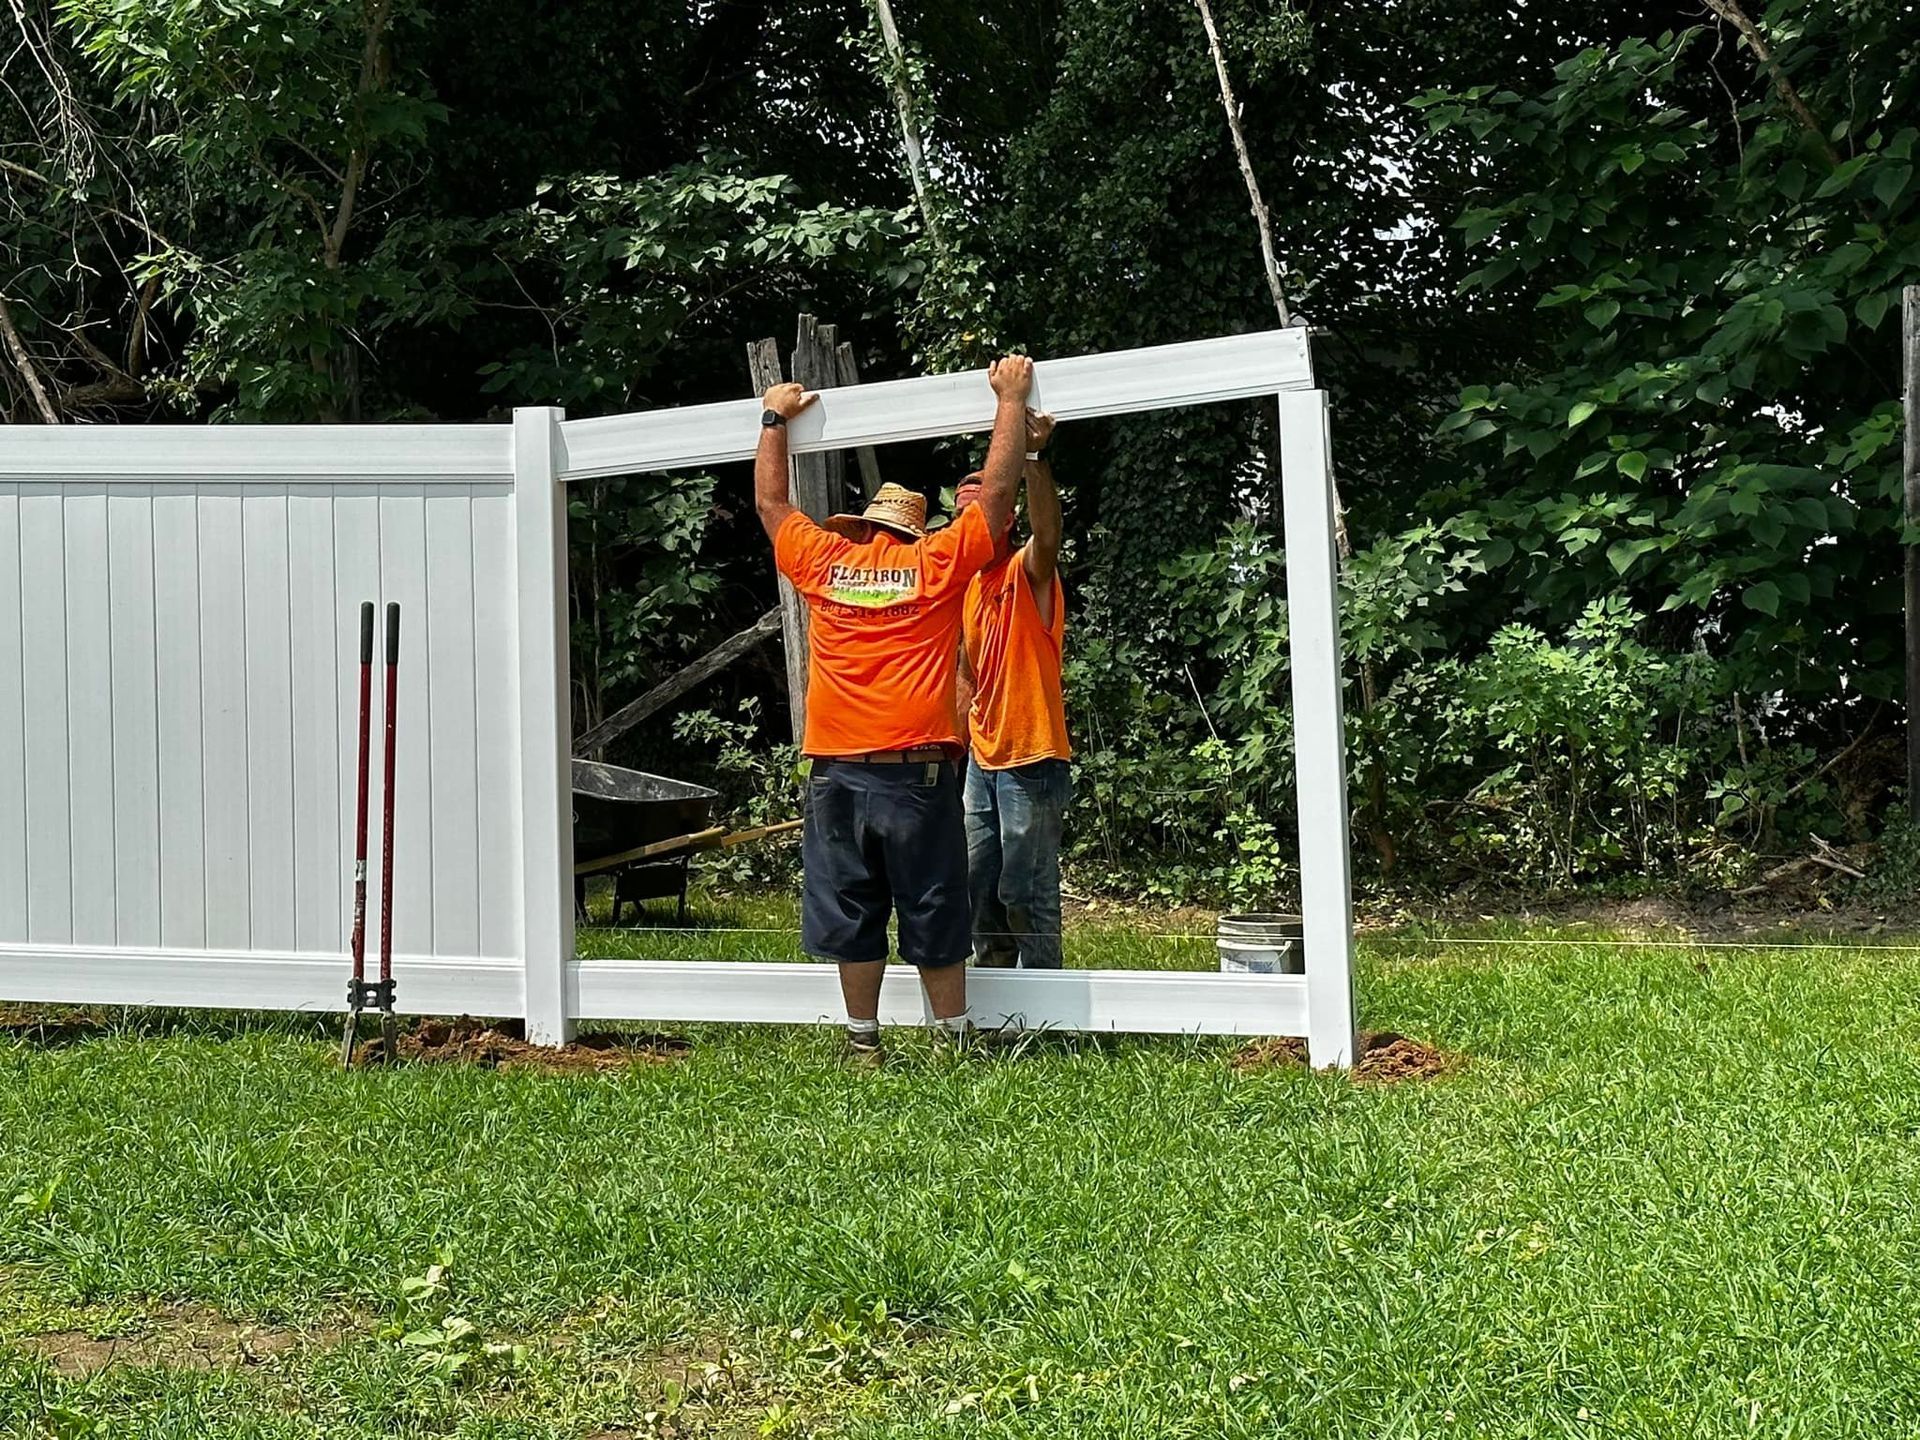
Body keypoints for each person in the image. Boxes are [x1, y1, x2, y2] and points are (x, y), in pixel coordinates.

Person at [755, 354, 1035, 1062]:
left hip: (836, 775)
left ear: (859, 530)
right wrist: (1009, 401)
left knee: (851, 907)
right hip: (917, 775)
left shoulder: (823, 563)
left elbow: (771, 506)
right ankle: (953, 1042)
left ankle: (862, 1043)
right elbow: (997, 499)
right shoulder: (934, 564)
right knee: (934, 904)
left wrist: (772, 418)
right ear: (914, 532)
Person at [954, 409, 1071, 970]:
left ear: (1007, 516)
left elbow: (1048, 537)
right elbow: (966, 674)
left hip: (1032, 756)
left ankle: (1047, 999)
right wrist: (949, 748)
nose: (971, 526)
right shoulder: (969, 586)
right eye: (963, 518)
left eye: (981, 513)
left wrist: (1032, 456)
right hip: (983, 759)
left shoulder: (1026, 571)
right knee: (979, 882)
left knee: (1025, 891)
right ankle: (996, 992)